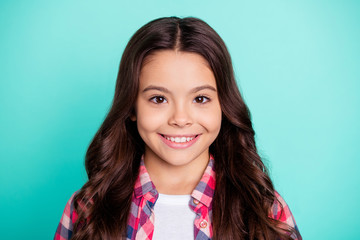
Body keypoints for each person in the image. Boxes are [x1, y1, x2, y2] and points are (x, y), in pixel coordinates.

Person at [54, 17, 301, 240]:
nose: (180, 119)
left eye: (201, 98)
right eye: (159, 99)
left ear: (224, 105)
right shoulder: (88, 207)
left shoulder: (265, 209)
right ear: (131, 106)